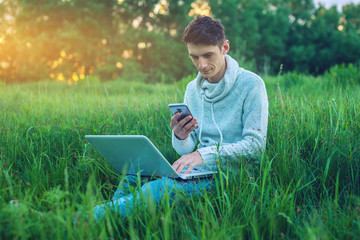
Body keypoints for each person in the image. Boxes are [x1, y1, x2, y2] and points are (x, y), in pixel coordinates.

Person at [92, 15, 268, 220]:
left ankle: (82, 221)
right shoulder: (193, 90)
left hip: (231, 174)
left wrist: (202, 155)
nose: (202, 65)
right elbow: (185, 150)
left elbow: (255, 146)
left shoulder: (251, 84)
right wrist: (182, 136)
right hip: (199, 170)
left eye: (208, 55)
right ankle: (104, 223)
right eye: (194, 57)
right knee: (133, 175)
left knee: (155, 190)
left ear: (225, 47)